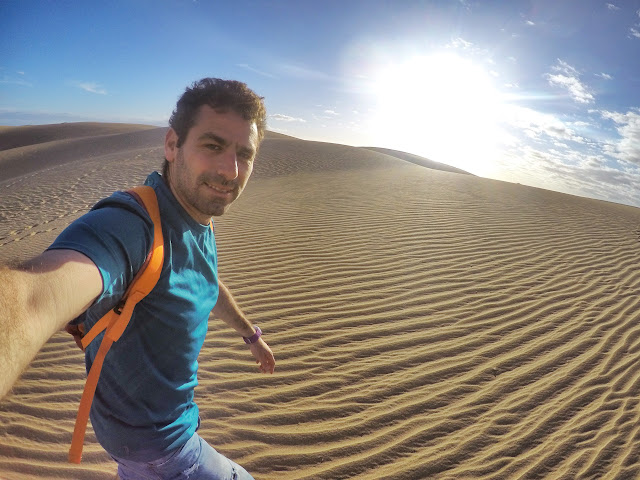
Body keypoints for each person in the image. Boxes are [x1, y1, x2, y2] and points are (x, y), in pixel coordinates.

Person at [0, 78, 275, 479]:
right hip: (162, 448)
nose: (229, 170)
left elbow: (206, 279)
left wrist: (251, 336)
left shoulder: (198, 220)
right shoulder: (132, 227)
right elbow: (31, 300)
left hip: (139, 438)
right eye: (213, 146)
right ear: (172, 145)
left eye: (244, 154)